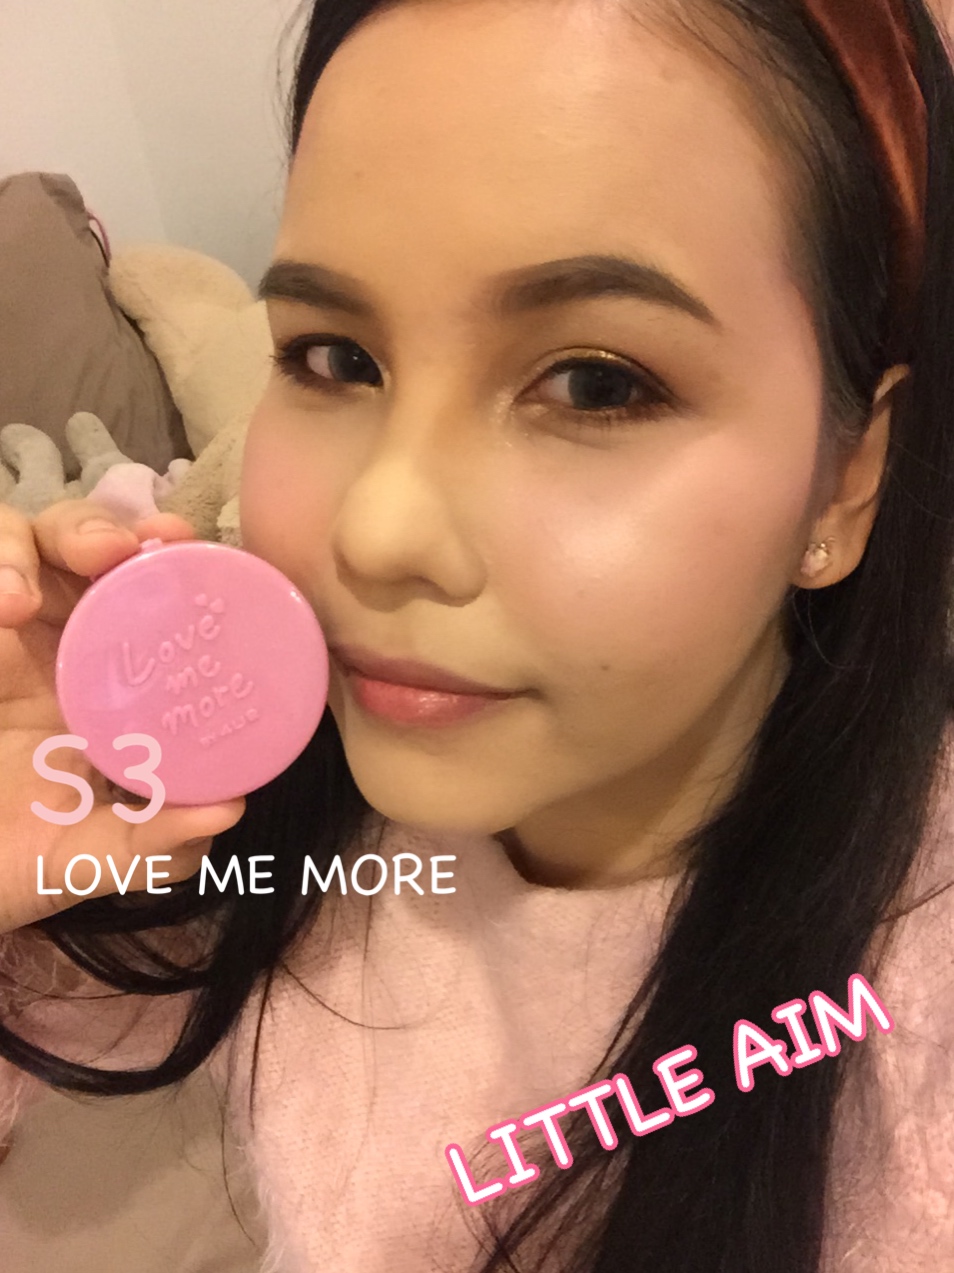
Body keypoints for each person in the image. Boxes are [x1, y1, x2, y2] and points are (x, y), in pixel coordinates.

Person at [2, 0, 954, 1269]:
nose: (377, 527)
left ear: (847, 477)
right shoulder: (269, 827)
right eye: (335, 357)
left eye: (596, 383)